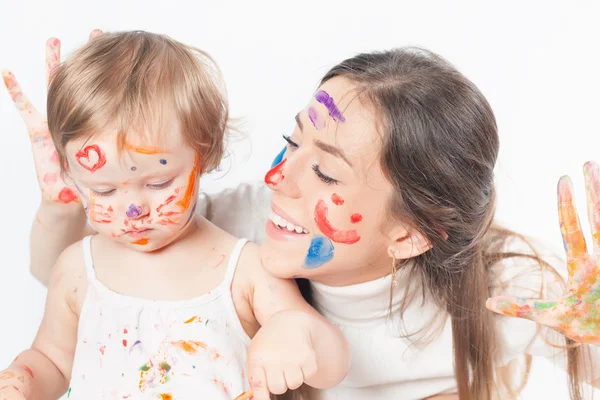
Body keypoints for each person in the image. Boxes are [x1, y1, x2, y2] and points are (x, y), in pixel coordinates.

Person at [4, 31, 599, 399]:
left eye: (326, 173)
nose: (277, 178)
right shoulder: (243, 223)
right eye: (292, 143)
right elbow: (78, 275)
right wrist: (68, 198)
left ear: (411, 234)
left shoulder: (512, 289)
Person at [0, 30, 351, 400]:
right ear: (71, 173)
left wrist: (296, 332)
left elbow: (336, 364)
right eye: (103, 190)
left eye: (158, 183)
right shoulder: (76, 268)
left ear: (206, 154)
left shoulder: (244, 270)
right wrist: (21, 381)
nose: (133, 210)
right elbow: (52, 362)